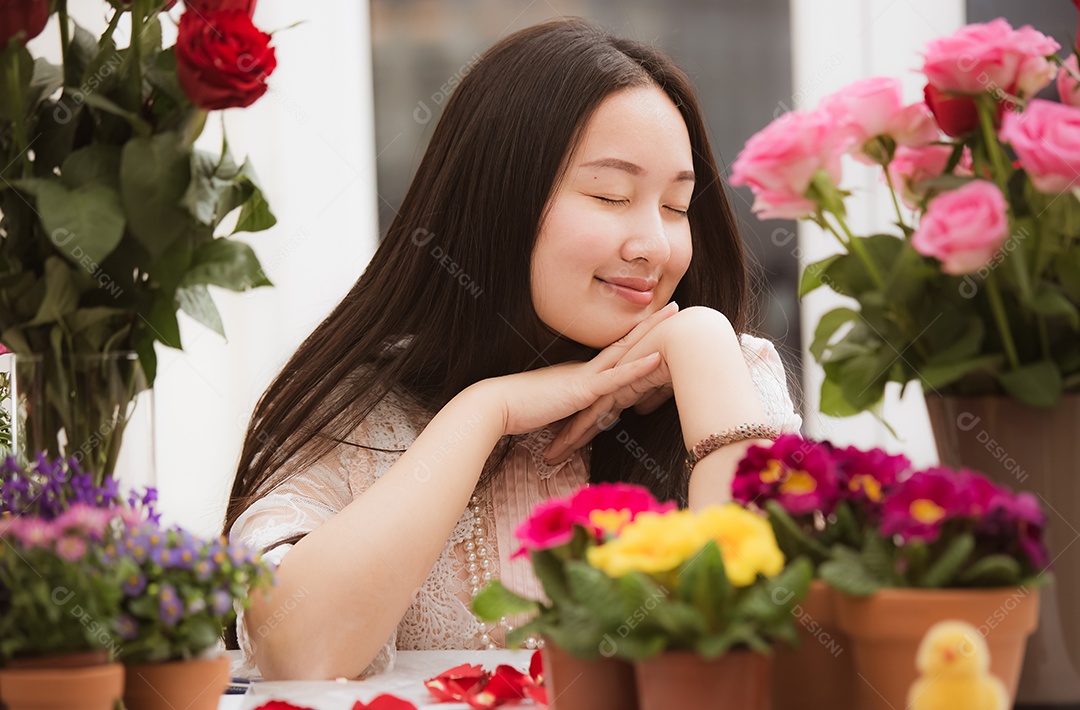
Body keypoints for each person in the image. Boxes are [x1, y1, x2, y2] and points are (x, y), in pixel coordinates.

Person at [223, 17, 802, 681]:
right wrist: (486, 410)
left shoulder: (722, 378)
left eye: (675, 205)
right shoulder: (361, 411)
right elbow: (301, 652)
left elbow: (778, 642)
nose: (654, 244)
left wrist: (701, 340)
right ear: (499, 202)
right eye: (611, 195)